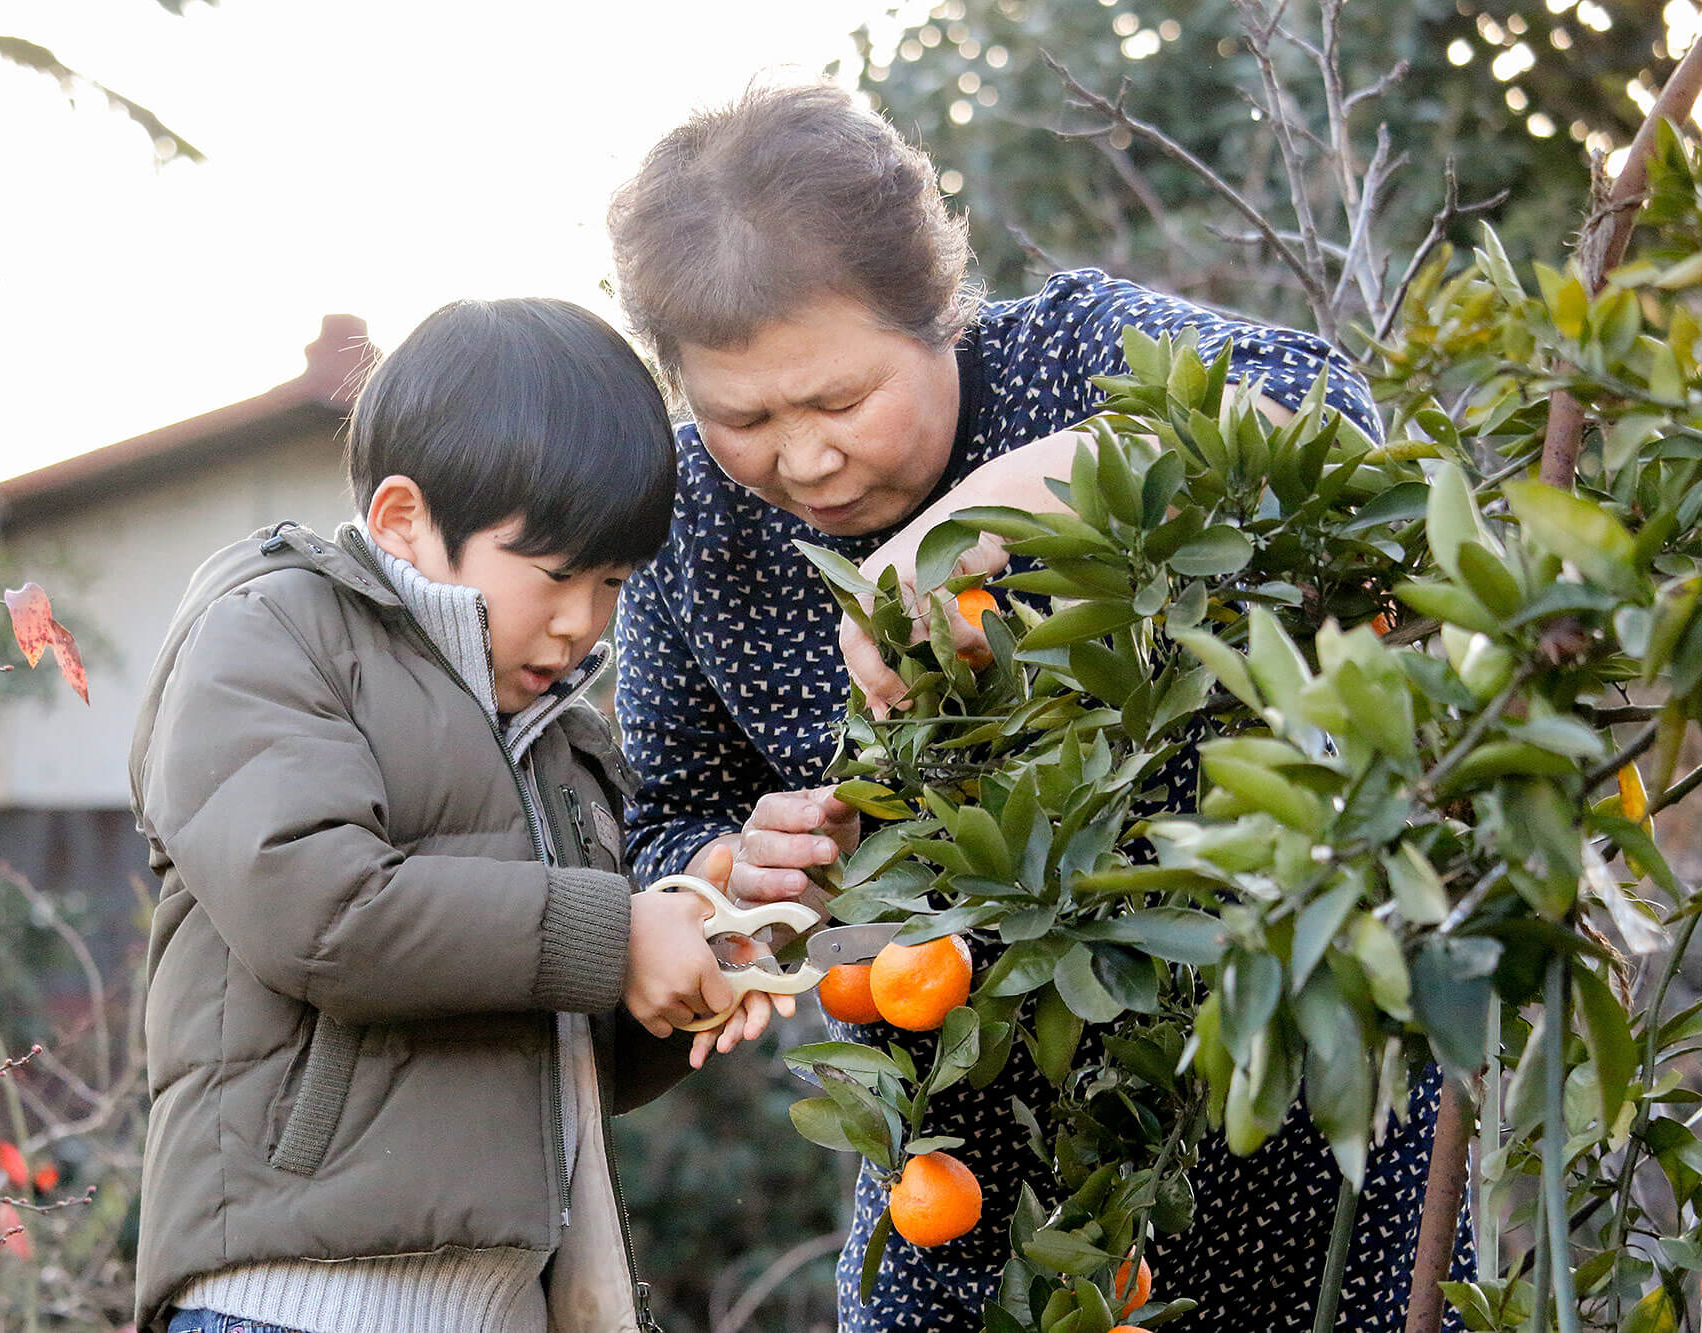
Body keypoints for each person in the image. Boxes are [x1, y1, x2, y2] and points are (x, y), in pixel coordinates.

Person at [606, 84, 1468, 1332]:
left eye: (839, 401)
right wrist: (733, 870)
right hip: (961, 1173)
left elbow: (1315, 409)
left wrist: (973, 522)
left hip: (1280, 1104)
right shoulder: (694, 520)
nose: (802, 458)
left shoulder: (1065, 355)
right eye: (742, 417)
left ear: (938, 314)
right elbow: (668, 817)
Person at [128, 297, 785, 1333]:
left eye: (613, 581)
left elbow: (551, 1042)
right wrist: (615, 935)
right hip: (296, 1304)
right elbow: (322, 912)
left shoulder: (559, 736)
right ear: (404, 519)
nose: (582, 622)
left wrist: (690, 963)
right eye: (556, 574)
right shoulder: (272, 633)